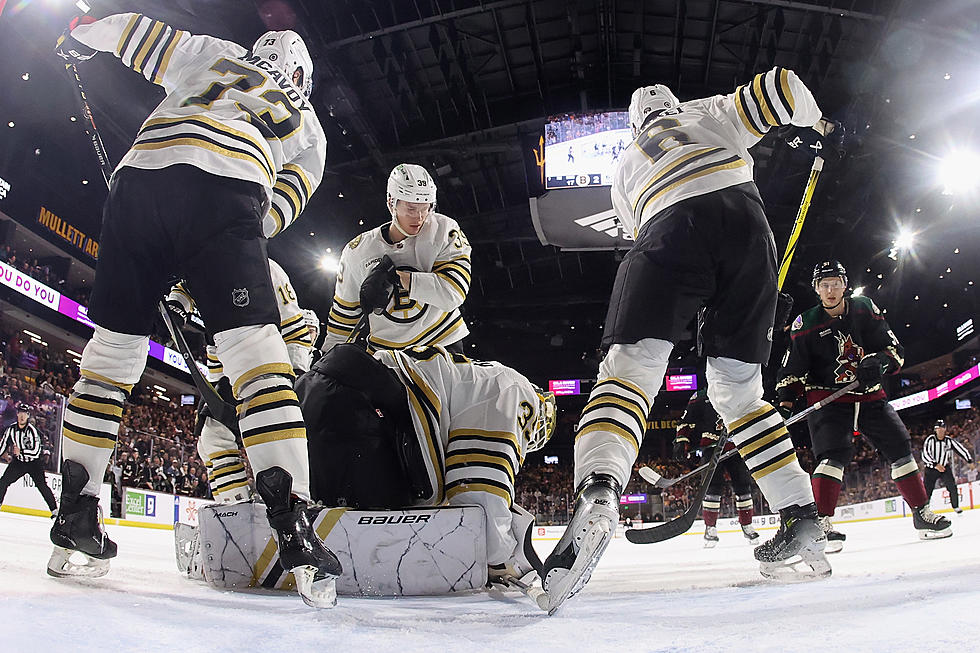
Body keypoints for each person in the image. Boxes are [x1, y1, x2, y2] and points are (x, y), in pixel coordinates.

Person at [52, 14, 340, 606]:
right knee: (258, 362)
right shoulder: (308, 126)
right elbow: (269, 218)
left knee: (108, 356)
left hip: (140, 183)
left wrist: (79, 34)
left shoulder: (215, 51)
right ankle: (295, 529)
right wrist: (207, 257)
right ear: (303, 77)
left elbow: (130, 30)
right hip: (227, 189)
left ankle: (75, 515)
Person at [542, 68, 834, 613]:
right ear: (674, 104)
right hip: (747, 225)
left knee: (631, 370)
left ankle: (600, 488)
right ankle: (801, 519)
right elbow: (788, 84)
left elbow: (644, 234)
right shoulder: (710, 111)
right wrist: (816, 122)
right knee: (740, 393)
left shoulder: (625, 165)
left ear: (633, 126)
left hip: (668, 224)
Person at [295, 342, 556, 585]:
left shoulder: (475, 378)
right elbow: (478, 490)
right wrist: (497, 558)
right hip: (358, 405)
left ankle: (293, 526)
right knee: (403, 504)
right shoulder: (513, 389)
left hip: (316, 391)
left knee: (336, 503)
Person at [777, 261, 951, 548]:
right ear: (816, 289)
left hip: (869, 394)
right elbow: (792, 371)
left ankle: (921, 513)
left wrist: (879, 362)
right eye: (824, 284)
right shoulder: (804, 324)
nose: (830, 290)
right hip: (827, 399)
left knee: (900, 447)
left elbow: (894, 350)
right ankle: (821, 524)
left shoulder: (864, 308)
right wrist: (785, 401)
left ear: (845, 285)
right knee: (832, 456)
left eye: (835, 283)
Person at [165, 257, 313, 504]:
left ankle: (290, 504)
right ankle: (236, 507)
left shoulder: (265, 267)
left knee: (270, 429)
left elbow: (294, 329)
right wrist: (176, 306)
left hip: (266, 365)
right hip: (229, 374)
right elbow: (185, 292)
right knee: (212, 437)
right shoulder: (200, 266)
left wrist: (295, 374)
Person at [322, 164, 472, 353]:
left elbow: (453, 293)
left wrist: (400, 279)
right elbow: (342, 320)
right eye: (411, 208)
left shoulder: (444, 229)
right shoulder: (357, 251)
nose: (419, 217)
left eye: (425, 208)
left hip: (442, 342)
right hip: (388, 355)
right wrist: (326, 359)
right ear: (391, 202)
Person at [672, 389, 759, 547]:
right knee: (712, 487)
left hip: (736, 445)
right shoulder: (702, 395)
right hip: (711, 447)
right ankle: (710, 528)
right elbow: (687, 420)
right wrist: (682, 439)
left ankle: (747, 524)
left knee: (743, 485)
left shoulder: (738, 388)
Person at [0, 403, 58, 515]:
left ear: (28, 415)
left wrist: (20, 451)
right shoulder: (11, 430)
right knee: (3, 482)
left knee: (42, 485)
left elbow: (36, 451)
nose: (22, 416)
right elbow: (2, 446)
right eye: (20, 412)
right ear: (17, 414)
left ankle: (55, 510)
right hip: (19, 462)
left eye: (24, 413)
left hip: (34, 463)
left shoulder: (32, 430)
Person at [922, 419, 973, 514]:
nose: (940, 430)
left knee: (952, 487)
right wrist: (935, 464)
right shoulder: (930, 439)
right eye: (938, 428)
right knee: (927, 490)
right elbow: (925, 454)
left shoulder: (948, 441)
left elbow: (960, 449)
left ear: (945, 429)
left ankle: (956, 506)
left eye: (942, 428)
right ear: (935, 430)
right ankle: (924, 509)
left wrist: (969, 460)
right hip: (931, 468)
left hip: (944, 467)